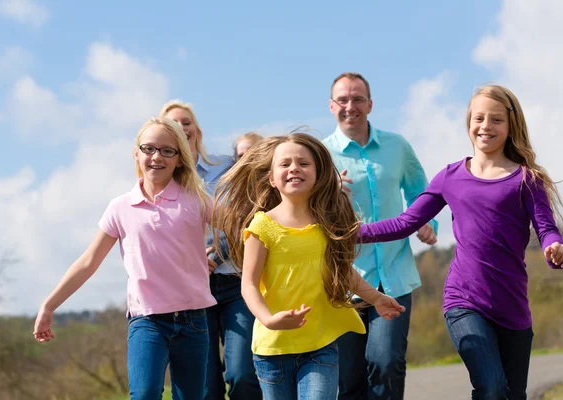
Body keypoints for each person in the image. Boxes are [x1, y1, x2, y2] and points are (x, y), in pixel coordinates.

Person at [358, 85, 563, 399]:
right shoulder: (450, 177)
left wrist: (554, 249)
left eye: (496, 120)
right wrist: (354, 233)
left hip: (513, 307)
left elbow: (547, 229)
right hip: (464, 301)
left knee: (512, 394)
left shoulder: (526, 179)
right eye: (478, 118)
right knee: (491, 387)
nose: (485, 126)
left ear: (510, 127)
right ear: (469, 123)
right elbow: (406, 222)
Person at [212, 132, 406, 400]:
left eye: (303, 163)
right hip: (273, 350)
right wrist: (268, 319)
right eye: (285, 163)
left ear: (318, 174)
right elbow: (249, 285)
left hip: (319, 343)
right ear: (271, 178)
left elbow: (342, 270)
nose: (294, 168)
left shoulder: (326, 224)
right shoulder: (261, 227)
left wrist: (375, 298)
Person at [33, 117, 215, 400]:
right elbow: (88, 261)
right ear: (136, 153)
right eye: (149, 148)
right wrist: (49, 305)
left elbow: (241, 228)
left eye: (168, 150)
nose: (157, 157)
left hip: (194, 320)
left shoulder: (196, 200)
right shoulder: (120, 207)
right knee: (143, 395)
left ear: (180, 159)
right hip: (147, 320)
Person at [323, 72, 438, 400]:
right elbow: (303, 208)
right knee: (349, 377)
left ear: (370, 104)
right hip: (343, 280)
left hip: (394, 274)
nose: (350, 106)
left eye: (357, 99)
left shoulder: (397, 146)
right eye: (343, 100)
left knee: (385, 362)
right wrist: (330, 194)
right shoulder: (318, 154)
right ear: (331, 106)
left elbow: (421, 192)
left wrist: (425, 223)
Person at [160, 101, 262, 400]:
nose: (182, 127)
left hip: (235, 282)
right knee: (205, 385)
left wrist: (216, 257)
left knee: (242, 374)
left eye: (187, 121)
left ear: (197, 129)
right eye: (173, 124)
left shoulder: (226, 167)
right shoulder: (160, 181)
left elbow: (250, 211)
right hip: (191, 290)